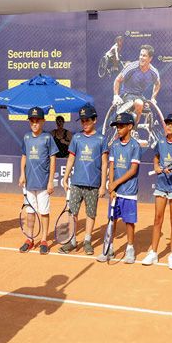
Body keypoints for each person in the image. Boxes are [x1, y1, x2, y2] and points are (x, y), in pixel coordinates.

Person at [142, 113, 172, 270]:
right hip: (162, 184)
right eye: (167, 123)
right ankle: (154, 252)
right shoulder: (161, 142)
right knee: (157, 218)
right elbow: (156, 157)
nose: (168, 126)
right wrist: (156, 167)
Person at [60, 105, 108, 255]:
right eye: (82, 121)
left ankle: (87, 241)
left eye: (87, 120)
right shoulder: (77, 138)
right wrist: (65, 177)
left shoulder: (101, 139)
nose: (84, 123)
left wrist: (102, 185)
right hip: (76, 183)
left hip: (93, 185)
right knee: (73, 213)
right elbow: (71, 159)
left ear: (95, 120)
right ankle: (73, 241)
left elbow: (105, 163)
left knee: (90, 214)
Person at [98, 112, 141, 263]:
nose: (118, 129)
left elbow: (133, 170)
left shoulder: (135, 145)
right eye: (117, 127)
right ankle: (109, 248)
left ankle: (130, 249)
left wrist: (116, 183)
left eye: (121, 126)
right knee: (112, 219)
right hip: (116, 191)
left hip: (129, 191)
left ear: (130, 127)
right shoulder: (115, 144)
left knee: (129, 221)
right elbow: (112, 165)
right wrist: (112, 185)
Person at [19, 107, 58, 254]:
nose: (34, 123)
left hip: (43, 183)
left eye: (37, 120)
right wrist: (22, 174)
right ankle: (30, 238)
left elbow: (52, 159)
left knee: (44, 212)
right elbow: (24, 156)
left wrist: (50, 181)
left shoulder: (48, 138)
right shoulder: (27, 137)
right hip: (29, 183)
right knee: (30, 212)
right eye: (32, 121)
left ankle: (43, 240)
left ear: (43, 121)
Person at [113, 44, 161, 121]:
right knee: (139, 103)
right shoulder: (132, 67)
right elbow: (117, 80)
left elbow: (157, 84)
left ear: (150, 58)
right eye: (140, 55)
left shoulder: (153, 72)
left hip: (139, 96)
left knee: (144, 104)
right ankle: (133, 127)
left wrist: (153, 97)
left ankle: (133, 126)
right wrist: (116, 95)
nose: (141, 57)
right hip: (126, 95)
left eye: (144, 56)